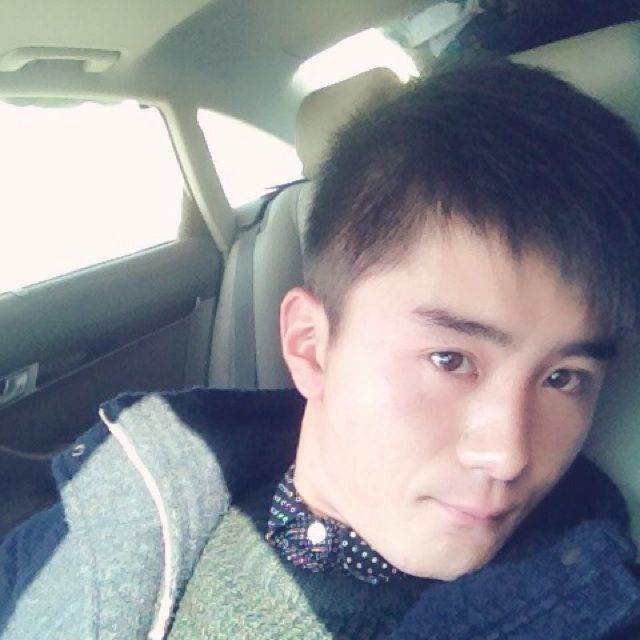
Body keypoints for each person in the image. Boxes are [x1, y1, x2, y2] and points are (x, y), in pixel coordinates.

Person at [2, 60, 640, 640]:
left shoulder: (590, 606)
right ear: (311, 347)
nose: (508, 455)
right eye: (450, 360)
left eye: (564, 378)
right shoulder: (134, 488)